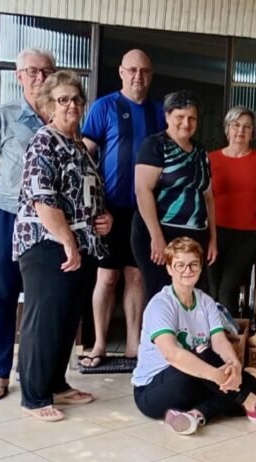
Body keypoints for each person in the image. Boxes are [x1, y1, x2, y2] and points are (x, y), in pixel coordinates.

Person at [15, 70, 113, 421]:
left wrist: (106, 220)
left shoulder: (80, 148)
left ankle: (56, 384)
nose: (71, 105)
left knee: (66, 320)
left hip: (81, 245)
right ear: (48, 105)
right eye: (63, 100)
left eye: (76, 99)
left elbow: (89, 197)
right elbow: (44, 200)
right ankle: (34, 396)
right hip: (47, 245)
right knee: (45, 319)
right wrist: (68, 241)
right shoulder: (45, 141)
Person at [132, 237, 256, 434]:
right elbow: (171, 354)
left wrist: (234, 366)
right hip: (153, 392)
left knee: (250, 374)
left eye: (193, 264)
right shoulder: (161, 304)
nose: (187, 271)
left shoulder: (205, 301)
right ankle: (253, 404)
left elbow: (219, 341)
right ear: (169, 269)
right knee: (205, 356)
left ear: (200, 267)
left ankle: (195, 414)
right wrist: (216, 376)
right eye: (180, 265)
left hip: (192, 381)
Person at [0, 47, 55, 402]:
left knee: (43, 300)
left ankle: (38, 372)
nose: (39, 77)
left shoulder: (64, 114)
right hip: (6, 214)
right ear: (18, 76)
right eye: (32, 71)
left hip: (49, 220)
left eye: (46, 71)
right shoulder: (3, 116)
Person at [80, 49, 167, 368]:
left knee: (136, 277)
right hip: (109, 210)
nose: (137, 76)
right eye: (132, 70)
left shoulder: (160, 114)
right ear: (121, 72)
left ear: (151, 74)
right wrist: (89, 208)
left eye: (144, 71)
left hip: (145, 213)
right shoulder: (104, 107)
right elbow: (85, 158)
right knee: (106, 278)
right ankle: (99, 344)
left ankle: (133, 345)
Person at [131, 90, 216, 303]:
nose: (186, 123)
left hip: (195, 235)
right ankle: (158, 337)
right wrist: (156, 237)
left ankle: (185, 338)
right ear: (168, 116)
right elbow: (143, 191)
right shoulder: (155, 145)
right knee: (162, 297)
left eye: (192, 118)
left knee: (191, 298)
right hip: (161, 233)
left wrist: (213, 239)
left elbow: (208, 197)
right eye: (180, 117)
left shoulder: (200, 152)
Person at [208, 105, 256, 317]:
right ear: (227, 128)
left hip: (248, 235)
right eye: (236, 125)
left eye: (247, 127)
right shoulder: (211, 159)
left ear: (253, 133)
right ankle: (212, 341)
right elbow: (203, 196)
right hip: (214, 232)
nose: (241, 131)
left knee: (227, 288)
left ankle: (231, 342)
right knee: (212, 292)